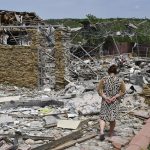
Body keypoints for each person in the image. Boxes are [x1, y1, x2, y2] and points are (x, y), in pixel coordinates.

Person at [97, 64, 126, 141]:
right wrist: (115, 97)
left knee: (103, 117)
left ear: (108, 71)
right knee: (112, 118)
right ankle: (110, 133)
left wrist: (105, 97)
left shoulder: (103, 79)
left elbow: (99, 90)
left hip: (105, 101)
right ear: (116, 72)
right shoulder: (120, 80)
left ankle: (102, 132)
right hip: (114, 102)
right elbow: (123, 91)